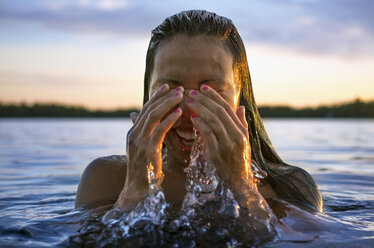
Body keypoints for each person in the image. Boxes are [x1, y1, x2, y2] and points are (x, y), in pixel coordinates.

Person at [75, 10, 323, 218]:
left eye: (210, 91)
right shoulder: (106, 179)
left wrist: (240, 187)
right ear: (148, 95)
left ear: (240, 98)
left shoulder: (291, 187)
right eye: (171, 90)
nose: (188, 110)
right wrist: (134, 192)